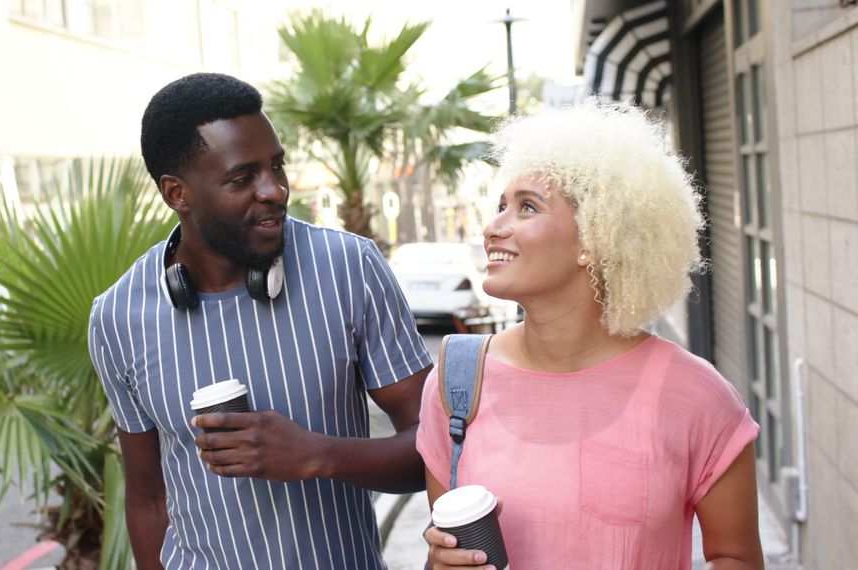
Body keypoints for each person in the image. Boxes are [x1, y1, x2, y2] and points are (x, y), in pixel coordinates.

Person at [88, 72, 433, 569]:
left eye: (277, 166)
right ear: (176, 193)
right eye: (243, 177)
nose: (275, 190)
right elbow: (148, 499)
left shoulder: (349, 267)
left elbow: (433, 448)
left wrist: (318, 454)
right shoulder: (117, 317)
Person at [418, 101, 764, 570]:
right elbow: (444, 548)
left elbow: (736, 557)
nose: (492, 228)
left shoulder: (695, 396)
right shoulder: (457, 382)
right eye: (501, 206)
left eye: (526, 207)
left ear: (594, 239)